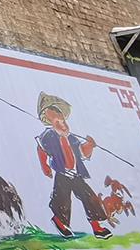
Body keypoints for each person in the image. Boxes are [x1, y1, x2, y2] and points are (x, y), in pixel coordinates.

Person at [35, 93, 112, 239]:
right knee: (62, 200)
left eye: (63, 120)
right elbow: (41, 150)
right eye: (57, 121)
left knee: (90, 198)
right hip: (62, 174)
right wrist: (45, 167)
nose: (62, 124)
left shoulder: (71, 138)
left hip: (76, 175)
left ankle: (97, 227)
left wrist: (89, 145)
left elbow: (81, 152)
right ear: (49, 121)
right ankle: (59, 221)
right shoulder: (48, 135)